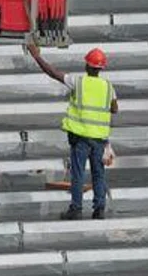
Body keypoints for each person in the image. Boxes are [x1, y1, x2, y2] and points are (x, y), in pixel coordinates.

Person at [29, 43, 118, 220]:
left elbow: (53, 73)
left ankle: (76, 208)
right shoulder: (108, 87)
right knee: (98, 174)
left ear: (87, 66)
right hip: (99, 139)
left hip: (81, 137)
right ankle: (99, 209)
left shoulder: (79, 82)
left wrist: (37, 56)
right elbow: (114, 109)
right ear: (101, 68)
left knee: (78, 173)